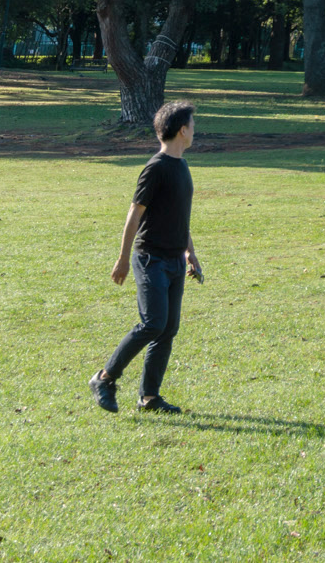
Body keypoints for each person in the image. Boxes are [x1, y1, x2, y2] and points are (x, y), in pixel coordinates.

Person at [89, 101, 204, 414]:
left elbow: (179, 217)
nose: (195, 130)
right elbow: (134, 214)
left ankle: (149, 397)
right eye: (193, 124)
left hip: (175, 262)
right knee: (153, 323)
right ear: (182, 130)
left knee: (167, 329)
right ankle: (104, 378)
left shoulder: (181, 166)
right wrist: (123, 259)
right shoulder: (157, 167)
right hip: (150, 259)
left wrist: (191, 253)